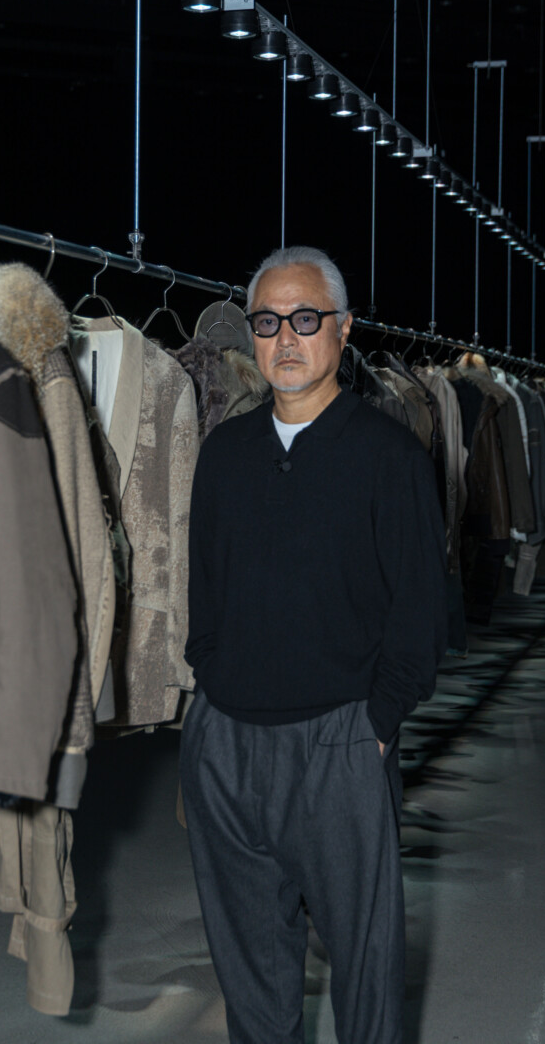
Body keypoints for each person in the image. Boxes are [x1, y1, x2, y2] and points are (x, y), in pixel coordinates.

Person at [180, 245, 448, 1044]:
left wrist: (376, 722)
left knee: (365, 971)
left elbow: (421, 611)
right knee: (252, 978)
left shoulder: (389, 456)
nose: (286, 339)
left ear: (344, 328)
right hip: (227, 745)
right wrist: (208, 692)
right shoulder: (224, 453)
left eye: (305, 319)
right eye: (268, 322)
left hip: (340, 743)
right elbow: (205, 591)